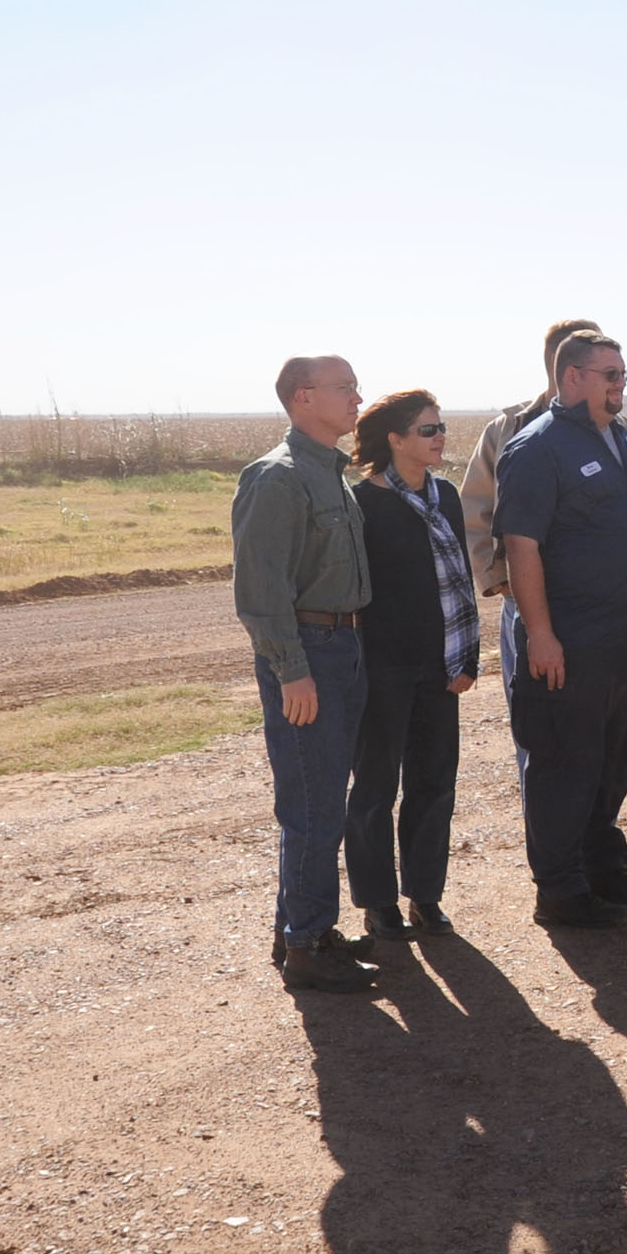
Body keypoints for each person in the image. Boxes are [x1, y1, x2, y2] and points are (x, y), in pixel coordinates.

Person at [497, 331, 627, 929]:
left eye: (622, 374)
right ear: (572, 377)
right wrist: (540, 635)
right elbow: (521, 546)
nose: (619, 385)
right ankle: (561, 889)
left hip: (624, 638)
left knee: (612, 759)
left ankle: (601, 863)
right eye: (609, 375)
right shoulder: (536, 447)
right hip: (571, 641)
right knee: (564, 766)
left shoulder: (621, 437)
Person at [231, 355, 379, 992]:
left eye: (354, 387)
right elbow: (262, 591)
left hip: (343, 646)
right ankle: (307, 946)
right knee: (315, 807)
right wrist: (292, 671)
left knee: (323, 800)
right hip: (308, 652)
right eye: (344, 388)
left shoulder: (330, 474)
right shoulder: (278, 478)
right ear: (302, 398)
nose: (356, 398)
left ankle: (300, 929)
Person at [345, 390, 478, 943]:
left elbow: (461, 579)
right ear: (395, 440)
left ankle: (425, 895)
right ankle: (377, 904)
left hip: (441, 667)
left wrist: (468, 656)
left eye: (441, 427)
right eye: (427, 430)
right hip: (383, 671)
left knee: (434, 784)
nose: (440, 436)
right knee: (375, 787)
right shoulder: (362, 503)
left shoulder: (445, 494)